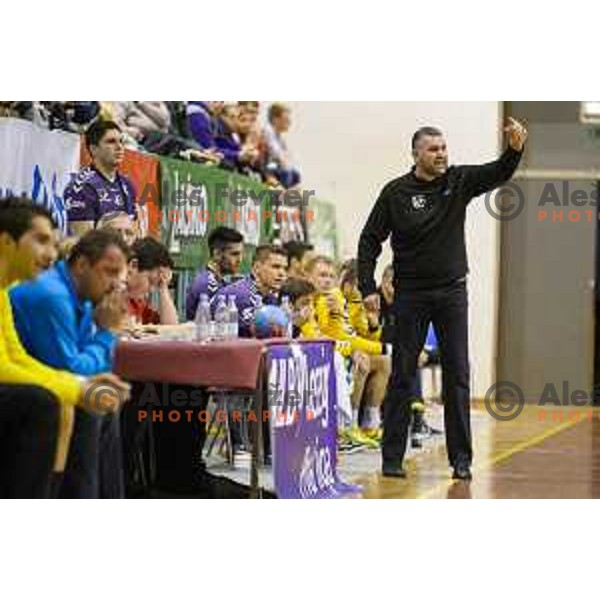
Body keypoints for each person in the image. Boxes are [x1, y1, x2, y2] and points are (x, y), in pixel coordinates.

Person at [357, 118, 527, 480]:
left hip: (452, 292)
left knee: (457, 374)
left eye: (444, 148)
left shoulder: (458, 180)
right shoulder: (395, 193)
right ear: (416, 153)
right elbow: (369, 240)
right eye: (433, 149)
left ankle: (461, 460)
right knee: (402, 375)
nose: (441, 154)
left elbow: (498, 173)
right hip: (410, 295)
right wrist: (367, 288)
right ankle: (392, 459)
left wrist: (514, 150)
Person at [0, 198, 129, 498]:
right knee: (65, 406)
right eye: (42, 241)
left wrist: (82, 384)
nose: (50, 254)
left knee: (101, 402)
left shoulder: (77, 297)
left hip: (26, 381)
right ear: (7, 242)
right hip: (25, 392)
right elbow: (62, 367)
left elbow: (14, 357)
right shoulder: (50, 294)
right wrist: (107, 334)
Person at [306, 256, 391, 449]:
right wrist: (379, 347)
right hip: (321, 352)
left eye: (330, 276)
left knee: (385, 361)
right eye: (322, 275)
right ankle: (348, 425)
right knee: (363, 361)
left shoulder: (346, 299)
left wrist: (374, 324)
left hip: (337, 349)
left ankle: (370, 421)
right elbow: (325, 333)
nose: (327, 280)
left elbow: (354, 333)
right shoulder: (318, 299)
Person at [64, 120, 137, 237]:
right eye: (111, 142)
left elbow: (132, 233)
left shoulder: (127, 185)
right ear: (94, 149)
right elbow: (84, 242)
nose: (119, 147)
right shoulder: (82, 187)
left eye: (121, 141)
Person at [213, 244, 287, 337]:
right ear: (257, 268)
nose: (282, 273)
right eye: (275, 267)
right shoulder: (242, 295)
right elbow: (257, 337)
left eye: (285, 268)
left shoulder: (270, 297)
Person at [185, 227, 244, 321]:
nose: (240, 260)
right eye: (234, 254)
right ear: (217, 254)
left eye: (241, 254)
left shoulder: (218, 280)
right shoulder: (208, 284)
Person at [125, 237, 178, 326]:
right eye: (150, 282)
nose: (151, 290)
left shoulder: (138, 302)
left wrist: (163, 288)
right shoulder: (111, 299)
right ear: (133, 266)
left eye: (156, 285)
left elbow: (170, 327)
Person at [263, 103, 301, 189]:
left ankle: (287, 193)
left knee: (295, 174)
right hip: (267, 166)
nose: (289, 122)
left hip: (274, 165)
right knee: (285, 171)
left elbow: (287, 157)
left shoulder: (279, 138)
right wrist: (284, 162)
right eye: (286, 119)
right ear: (275, 119)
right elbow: (276, 153)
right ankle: (280, 191)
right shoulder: (268, 131)